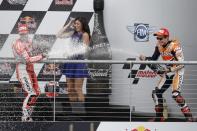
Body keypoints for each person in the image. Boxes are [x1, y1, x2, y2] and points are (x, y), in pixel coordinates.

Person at [139, 28, 194, 122]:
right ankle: (159, 117)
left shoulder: (175, 46)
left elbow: (182, 63)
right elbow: (153, 59)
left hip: (177, 71)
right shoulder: (158, 46)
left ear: (167, 37)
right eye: (157, 38)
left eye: (161, 38)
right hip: (168, 71)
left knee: (175, 94)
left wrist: (170, 69)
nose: (159, 40)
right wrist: (145, 58)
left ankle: (189, 117)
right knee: (156, 93)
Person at [12, 22, 46, 121]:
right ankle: (25, 116)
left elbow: (32, 54)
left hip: (30, 69)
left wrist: (42, 53)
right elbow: (27, 59)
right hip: (23, 70)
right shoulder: (17, 44)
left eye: (25, 33)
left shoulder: (30, 41)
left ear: (28, 32)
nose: (23, 35)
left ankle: (28, 115)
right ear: (19, 34)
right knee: (31, 93)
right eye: (21, 33)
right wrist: (41, 56)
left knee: (37, 93)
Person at [57, 17, 90, 112]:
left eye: (78, 24)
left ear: (83, 24)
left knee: (77, 88)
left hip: (79, 63)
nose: (76, 25)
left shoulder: (85, 35)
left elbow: (85, 51)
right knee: (70, 89)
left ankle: (81, 113)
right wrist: (68, 23)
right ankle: (75, 112)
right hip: (70, 63)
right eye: (75, 24)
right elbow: (58, 35)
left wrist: (71, 52)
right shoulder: (72, 33)